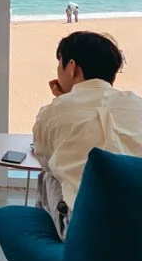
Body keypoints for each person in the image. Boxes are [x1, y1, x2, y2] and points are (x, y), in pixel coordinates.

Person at [31, 31, 142, 235]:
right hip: (136, 219)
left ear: (72, 67)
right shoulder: (137, 105)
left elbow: (43, 156)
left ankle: (56, 250)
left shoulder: (55, 112)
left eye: (60, 65)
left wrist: (61, 101)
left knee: (49, 174)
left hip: (89, 230)